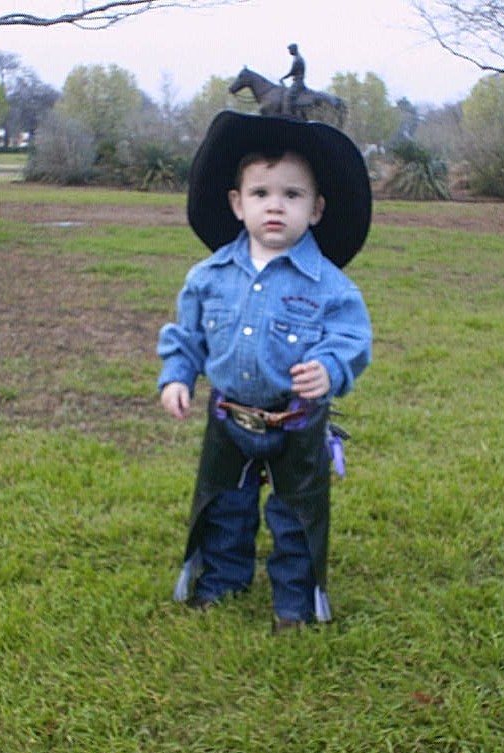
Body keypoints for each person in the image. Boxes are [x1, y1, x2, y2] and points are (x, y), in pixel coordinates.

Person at [157, 111, 373, 633]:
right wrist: (177, 377)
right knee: (225, 507)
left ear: (317, 209)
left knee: (295, 516)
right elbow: (185, 336)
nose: (275, 205)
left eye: (293, 195)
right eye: (261, 194)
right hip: (230, 416)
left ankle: (294, 603)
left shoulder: (331, 286)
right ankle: (222, 581)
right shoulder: (207, 277)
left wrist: (329, 368)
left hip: (294, 423)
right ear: (237, 203)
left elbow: (351, 339)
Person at [279, 43, 306, 117]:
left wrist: (283, 78)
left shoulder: (298, 59)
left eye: (290, 50)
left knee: (287, 96)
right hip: (297, 81)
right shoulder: (297, 58)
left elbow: (292, 72)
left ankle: (287, 114)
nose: (289, 51)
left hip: (298, 82)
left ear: (294, 49)